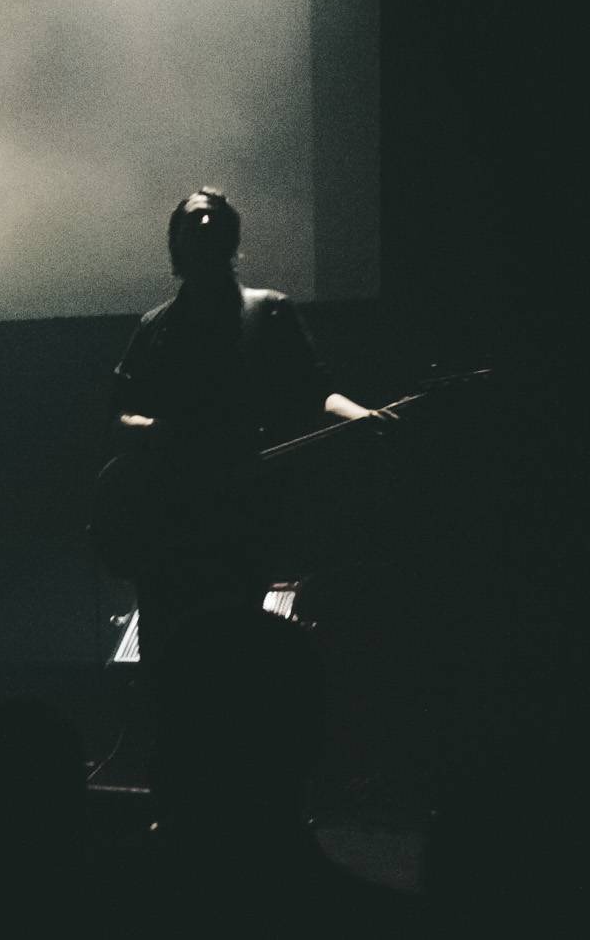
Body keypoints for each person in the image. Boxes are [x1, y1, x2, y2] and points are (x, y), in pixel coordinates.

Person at [104, 188, 393, 667]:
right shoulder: (155, 328)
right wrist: (164, 432)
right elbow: (118, 418)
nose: (203, 226)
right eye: (193, 220)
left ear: (230, 237)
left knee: (234, 653)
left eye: (212, 219)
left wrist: (362, 417)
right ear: (175, 242)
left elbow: (316, 391)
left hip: (244, 523)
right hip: (168, 530)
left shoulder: (270, 312)